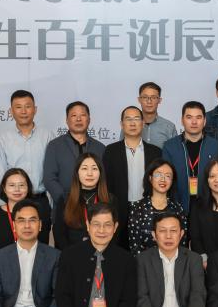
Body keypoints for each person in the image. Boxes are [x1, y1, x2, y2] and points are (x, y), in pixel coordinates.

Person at [103, 105, 162, 249]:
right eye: (128, 119)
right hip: (119, 210)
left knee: (147, 253)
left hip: (148, 210)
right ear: (121, 124)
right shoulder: (111, 151)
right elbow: (106, 183)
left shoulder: (155, 152)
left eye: (136, 119)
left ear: (143, 123)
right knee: (119, 252)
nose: (132, 123)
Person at [43, 101, 107, 211]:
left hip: (95, 208)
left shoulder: (100, 148)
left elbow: (104, 179)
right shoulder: (55, 146)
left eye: (82, 115)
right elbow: (49, 178)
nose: (78, 119)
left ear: (89, 119)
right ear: (67, 120)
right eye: (74, 115)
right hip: (65, 207)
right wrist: (66, 201)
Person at [0, 90, 54, 204]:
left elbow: (53, 173)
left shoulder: (47, 136)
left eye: (27, 106)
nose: (23, 111)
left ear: (35, 109)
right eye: (18, 107)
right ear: (11, 111)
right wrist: (2, 206)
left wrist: (53, 204)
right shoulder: (4, 138)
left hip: (41, 199)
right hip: (15, 200)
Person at [161, 101, 218, 214]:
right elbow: (165, 178)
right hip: (178, 206)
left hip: (208, 207)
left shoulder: (215, 146)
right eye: (189, 117)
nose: (194, 122)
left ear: (204, 121)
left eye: (198, 117)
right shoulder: (170, 146)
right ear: (182, 120)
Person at [0, 168, 52, 257]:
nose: (17, 189)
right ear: (4, 188)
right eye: (12, 185)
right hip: (0, 263)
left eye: (21, 185)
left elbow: (43, 244)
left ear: (28, 188)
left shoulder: (39, 213)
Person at [53, 153, 114, 248]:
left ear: (100, 173)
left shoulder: (111, 200)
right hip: (72, 253)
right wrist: (70, 254)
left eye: (94, 169)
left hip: (103, 253)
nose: (90, 173)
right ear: (77, 173)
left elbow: (115, 235)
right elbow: (59, 234)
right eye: (84, 168)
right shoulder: (65, 199)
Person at [128, 159, 187, 255]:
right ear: (150, 178)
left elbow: (182, 244)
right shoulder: (137, 208)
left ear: (172, 181)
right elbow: (135, 246)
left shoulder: (178, 209)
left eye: (168, 176)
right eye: (158, 175)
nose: (163, 179)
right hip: (144, 262)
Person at [189, 159, 218, 260]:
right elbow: (195, 238)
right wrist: (204, 259)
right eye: (212, 176)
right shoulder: (198, 206)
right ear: (207, 180)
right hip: (207, 262)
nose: (217, 180)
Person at [131, 81, 177, 148]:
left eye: (153, 97)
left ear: (159, 100)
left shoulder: (169, 127)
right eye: (145, 97)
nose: (149, 101)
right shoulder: (129, 124)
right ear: (139, 100)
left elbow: (174, 152)